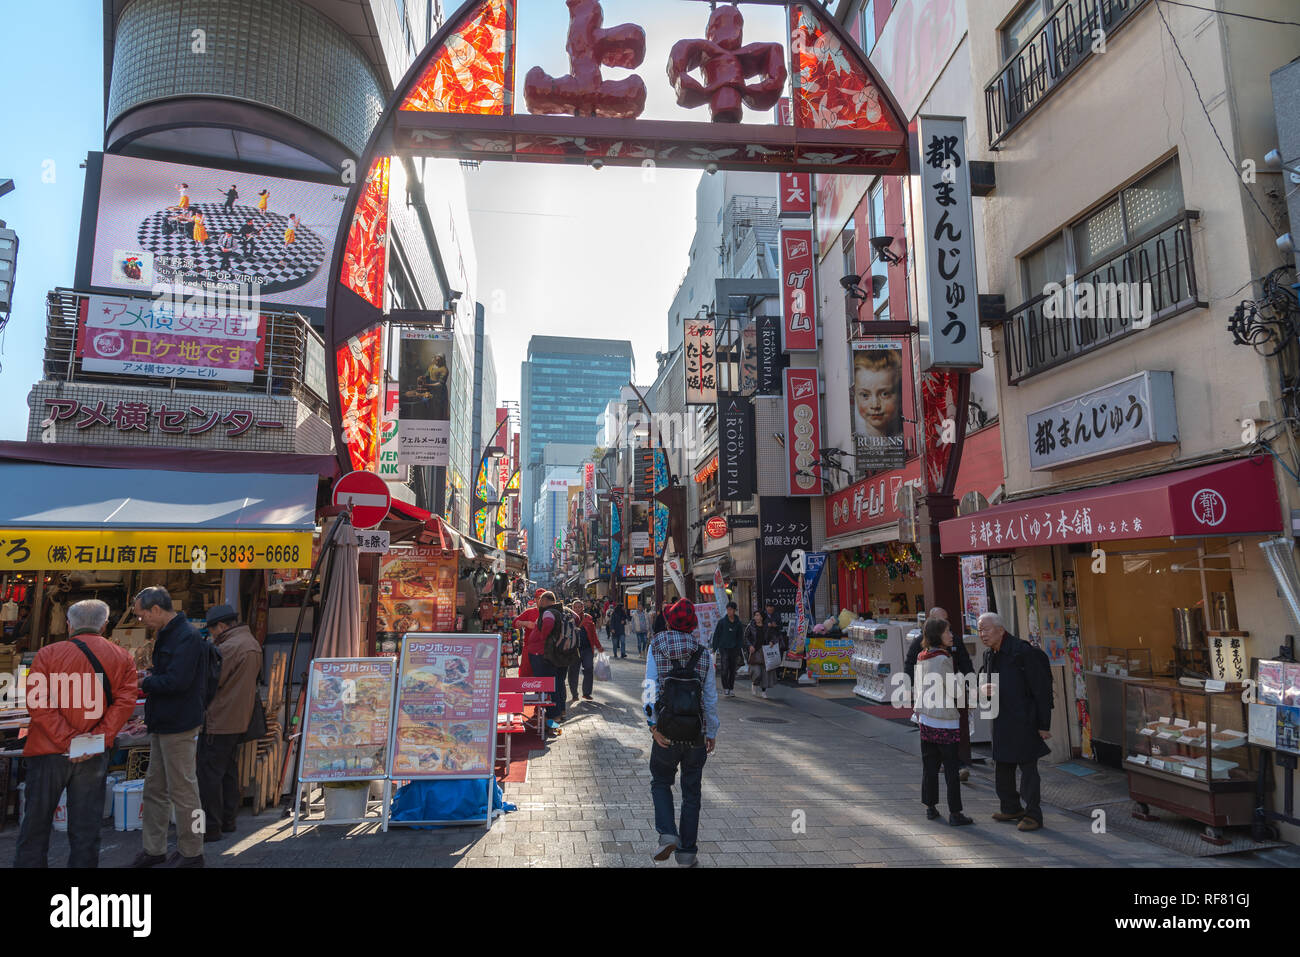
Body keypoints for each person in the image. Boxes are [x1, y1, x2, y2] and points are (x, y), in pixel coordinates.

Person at [14, 600, 138, 868]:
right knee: (86, 828)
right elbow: (125, 703)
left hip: (47, 751)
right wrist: (93, 741)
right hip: (92, 754)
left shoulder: (46, 654)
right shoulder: (122, 657)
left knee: (35, 824)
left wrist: (68, 740)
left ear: (69, 624)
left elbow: (37, 703)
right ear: (105, 625)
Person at [131, 586, 207, 868]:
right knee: (155, 788)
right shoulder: (171, 633)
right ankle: (154, 849)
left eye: (141, 617)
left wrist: (144, 682)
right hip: (163, 721)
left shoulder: (186, 636)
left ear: (156, 610)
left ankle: (193, 851)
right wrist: (149, 677)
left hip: (180, 723)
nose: (142, 622)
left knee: (185, 791)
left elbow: (178, 682)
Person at [644, 599, 718, 867]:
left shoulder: (657, 645)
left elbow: (650, 687)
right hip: (695, 732)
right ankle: (687, 854)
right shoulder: (704, 653)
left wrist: (652, 725)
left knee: (661, 782)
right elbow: (710, 697)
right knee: (692, 793)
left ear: (670, 620)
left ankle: (666, 833)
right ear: (693, 625)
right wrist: (712, 731)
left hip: (666, 730)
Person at [978, 612, 1053, 832]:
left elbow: (1042, 690)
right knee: (1002, 765)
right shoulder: (989, 654)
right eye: (980, 630)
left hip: (1024, 720)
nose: (982, 634)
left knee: (1028, 768)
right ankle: (1011, 807)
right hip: (1001, 719)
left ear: (1001, 630)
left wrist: (1043, 725)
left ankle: (1033, 815)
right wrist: (983, 690)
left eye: (986, 629)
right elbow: (985, 683)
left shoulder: (1023, 652)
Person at [196, 605, 261, 844]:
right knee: (228, 771)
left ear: (222, 626)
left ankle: (210, 827)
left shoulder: (230, 646)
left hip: (220, 718)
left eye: (213, 630)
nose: (212, 635)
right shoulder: (249, 641)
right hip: (237, 717)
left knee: (209, 775)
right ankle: (228, 820)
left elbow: (213, 681)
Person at [914, 617, 973, 827]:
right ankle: (955, 813)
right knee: (951, 768)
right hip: (944, 719)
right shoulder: (942, 658)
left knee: (929, 765)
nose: (951, 635)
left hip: (926, 717)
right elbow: (954, 689)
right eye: (947, 631)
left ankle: (930, 806)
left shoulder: (922, 656)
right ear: (938, 634)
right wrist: (960, 679)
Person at [522, 592, 567, 736]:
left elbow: (547, 625)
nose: (539, 602)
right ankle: (552, 722)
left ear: (545, 600)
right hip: (549, 655)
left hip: (542, 655)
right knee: (551, 689)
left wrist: (542, 638)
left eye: (540, 600)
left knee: (547, 690)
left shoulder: (548, 613)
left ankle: (552, 723)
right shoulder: (561, 610)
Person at [566, 599, 604, 702]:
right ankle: (574, 694)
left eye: (579, 607)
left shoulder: (588, 618)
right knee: (573, 672)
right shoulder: (568, 619)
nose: (577, 609)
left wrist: (599, 646)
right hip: (573, 650)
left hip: (587, 648)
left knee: (588, 668)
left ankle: (586, 693)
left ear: (583, 607)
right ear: (572, 608)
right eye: (575, 607)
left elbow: (593, 634)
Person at [711, 601, 746, 698]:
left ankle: (731, 688)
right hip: (724, 648)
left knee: (732, 669)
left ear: (734, 610)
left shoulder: (738, 623)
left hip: (734, 648)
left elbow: (740, 637)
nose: (729, 611)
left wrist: (739, 648)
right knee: (724, 668)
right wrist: (714, 648)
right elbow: (716, 635)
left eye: (731, 609)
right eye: (728, 609)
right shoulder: (722, 622)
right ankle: (725, 688)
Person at [745, 610, 772, 699]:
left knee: (765, 673)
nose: (756, 617)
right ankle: (754, 683)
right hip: (755, 651)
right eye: (755, 615)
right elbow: (746, 637)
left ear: (762, 617)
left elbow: (772, 636)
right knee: (757, 672)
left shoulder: (766, 627)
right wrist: (750, 646)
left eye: (758, 615)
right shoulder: (751, 626)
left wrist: (772, 642)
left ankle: (764, 691)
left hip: (765, 651)